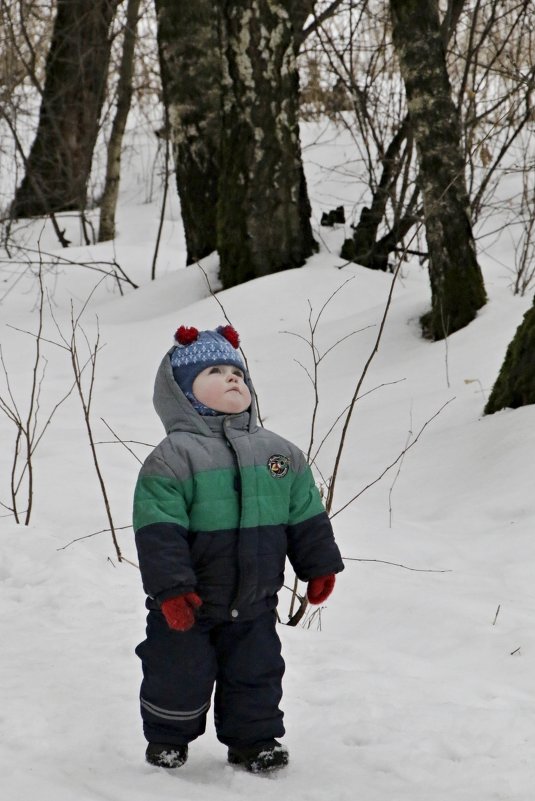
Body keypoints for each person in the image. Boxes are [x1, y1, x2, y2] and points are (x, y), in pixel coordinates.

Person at [133, 324, 344, 773]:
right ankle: (168, 736)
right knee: (177, 672)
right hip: (189, 601)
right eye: (214, 370)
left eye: (237, 371)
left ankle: (255, 741)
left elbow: (305, 513)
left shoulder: (280, 453)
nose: (232, 378)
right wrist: (171, 590)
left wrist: (318, 565)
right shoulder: (173, 457)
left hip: (254, 600)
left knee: (257, 673)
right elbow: (158, 530)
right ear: (182, 393)